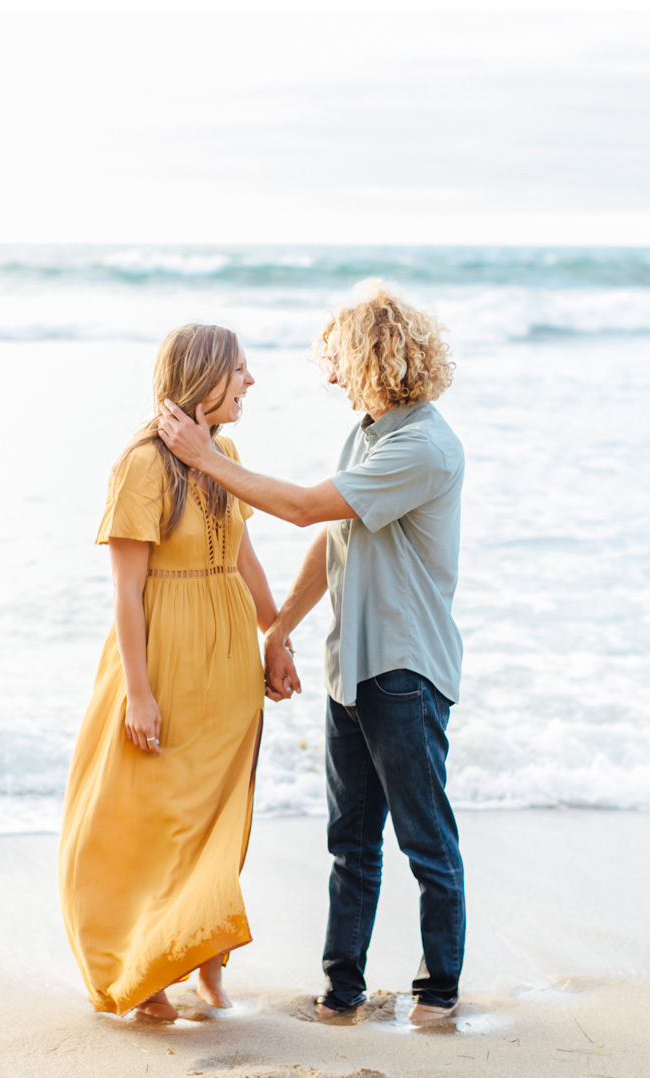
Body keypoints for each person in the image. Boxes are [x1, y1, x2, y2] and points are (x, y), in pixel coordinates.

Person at [157, 279, 465, 1025]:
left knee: (426, 840)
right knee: (349, 842)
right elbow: (334, 535)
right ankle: (343, 992)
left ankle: (437, 994)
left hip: (404, 671)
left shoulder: (422, 446)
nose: (326, 371)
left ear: (368, 356)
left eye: (334, 356)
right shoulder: (369, 433)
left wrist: (205, 459)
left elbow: (299, 510)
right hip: (352, 668)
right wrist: (279, 627)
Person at [58, 324, 285, 1021]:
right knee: (157, 818)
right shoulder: (142, 464)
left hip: (227, 665)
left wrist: (276, 637)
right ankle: (144, 969)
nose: (250, 383)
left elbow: (242, 555)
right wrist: (140, 694)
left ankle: (206, 964)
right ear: (205, 377)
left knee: (217, 816)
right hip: (163, 656)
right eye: (240, 371)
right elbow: (127, 590)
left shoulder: (228, 453)